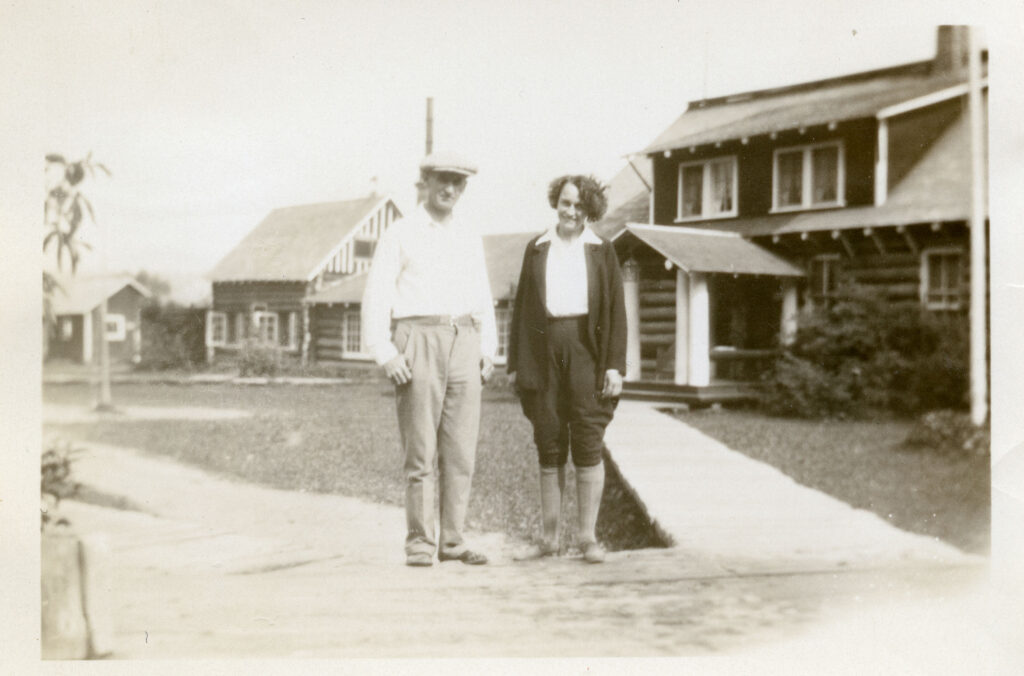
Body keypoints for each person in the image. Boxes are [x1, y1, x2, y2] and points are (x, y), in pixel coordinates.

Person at [361, 150, 497, 567]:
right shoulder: (400, 233)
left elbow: (483, 296)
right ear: (426, 182)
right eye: (442, 180)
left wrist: (488, 349)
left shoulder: (468, 234)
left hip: (464, 339)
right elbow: (376, 296)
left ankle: (453, 541)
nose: (450, 189)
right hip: (416, 338)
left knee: (460, 452)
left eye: (458, 183)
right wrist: (385, 352)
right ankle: (420, 541)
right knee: (420, 451)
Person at [507, 174, 627, 564]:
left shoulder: (602, 251)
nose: (570, 211)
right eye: (565, 202)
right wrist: (515, 364)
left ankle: (587, 539)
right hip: (544, 351)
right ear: (555, 203)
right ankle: (548, 539)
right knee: (549, 437)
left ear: (589, 210)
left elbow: (615, 313)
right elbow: (522, 308)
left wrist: (614, 366)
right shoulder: (537, 249)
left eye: (578, 205)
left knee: (588, 437)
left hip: (586, 351)